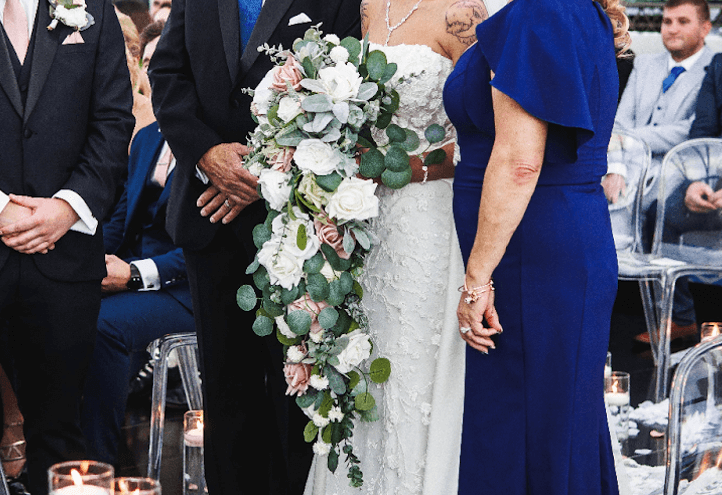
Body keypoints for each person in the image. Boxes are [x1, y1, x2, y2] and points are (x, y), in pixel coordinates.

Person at [148, 1, 360, 493]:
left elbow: (345, 88)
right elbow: (168, 71)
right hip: (208, 216)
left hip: (301, 228)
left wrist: (262, 174)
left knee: (300, 395)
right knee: (226, 394)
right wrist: (206, 154)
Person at [303, 1, 503, 494]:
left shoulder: (465, 13)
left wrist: (410, 168)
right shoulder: (361, 8)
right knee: (363, 357)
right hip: (363, 221)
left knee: (414, 364)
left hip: (431, 217)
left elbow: (491, 134)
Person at [445, 0, 628, 493]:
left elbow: (521, 162)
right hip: (552, 239)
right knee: (556, 428)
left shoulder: (540, 12)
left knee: (531, 433)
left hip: (532, 250)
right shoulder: (575, 9)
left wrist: (476, 280)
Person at [0, 0, 134, 491]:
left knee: (58, 433)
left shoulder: (92, 8)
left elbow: (115, 120)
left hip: (66, 256)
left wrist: (68, 207)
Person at [80, 26, 192, 465]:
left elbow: (211, 245)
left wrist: (134, 274)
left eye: (165, 61)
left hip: (189, 289)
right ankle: (54, 444)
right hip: (134, 277)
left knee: (100, 323)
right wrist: (83, 265)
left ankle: (98, 465)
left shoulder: (218, 141)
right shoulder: (146, 137)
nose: (156, 70)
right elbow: (119, 220)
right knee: (53, 302)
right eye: (149, 62)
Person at [606, 0, 713, 209]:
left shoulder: (715, 70)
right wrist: (616, 169)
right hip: (626, 167)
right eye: (667, 21)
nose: (672, 29)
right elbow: (619, 123)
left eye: (683, 22)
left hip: (679, 176)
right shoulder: (644, 64)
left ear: (705, 28)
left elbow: (692, 130)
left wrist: (630, 138)